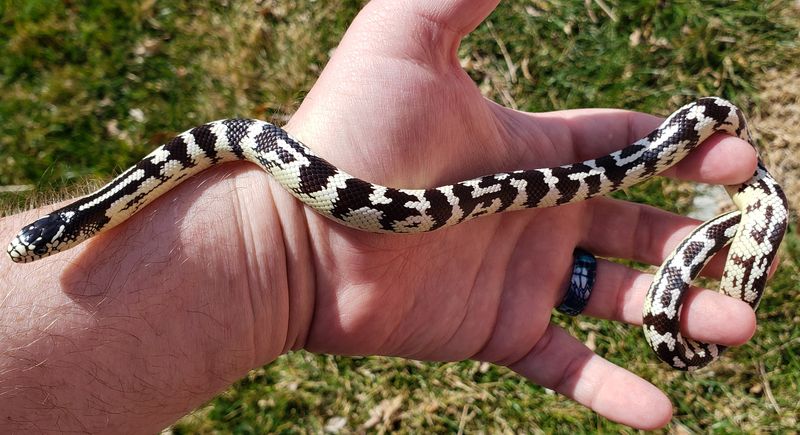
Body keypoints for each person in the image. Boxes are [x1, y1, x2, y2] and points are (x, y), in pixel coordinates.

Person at [0, 0, 762, 431]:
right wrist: (279, 255)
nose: (40, 251)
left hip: (390, 200)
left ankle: (734, 179)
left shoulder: (210, 164)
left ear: (69, 231)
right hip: (361, 208)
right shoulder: (136, 194)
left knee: (690, 150)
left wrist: (276, 255)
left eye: (42, 246)